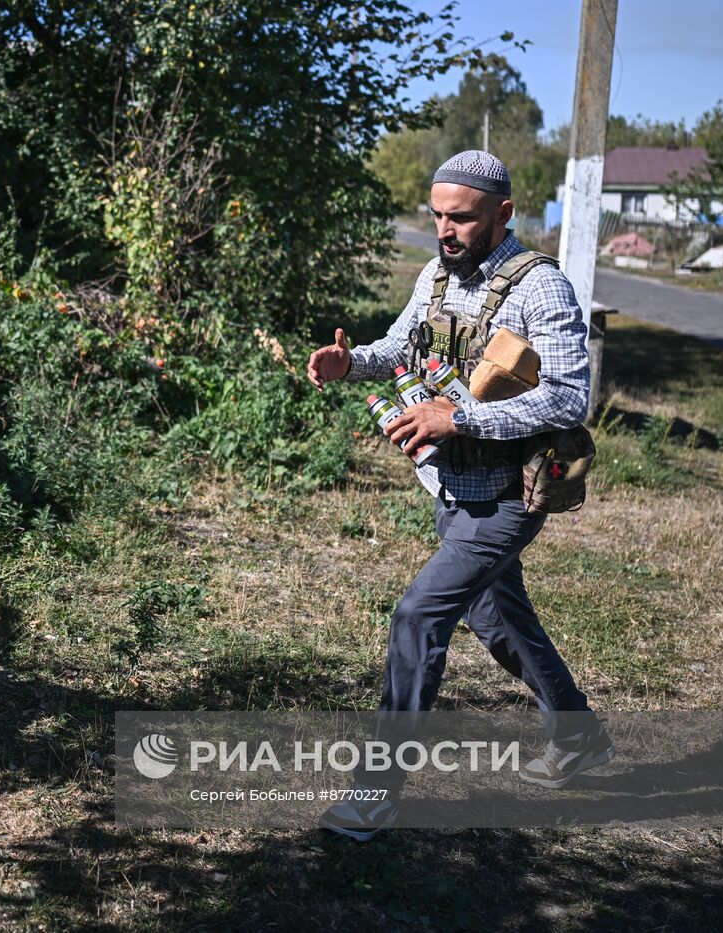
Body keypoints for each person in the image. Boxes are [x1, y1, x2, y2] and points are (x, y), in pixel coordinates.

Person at [306, 150, 612, 840]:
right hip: (452, 488)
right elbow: (400, 346)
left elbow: (568, 397)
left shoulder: (542, 289)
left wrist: (460, 416)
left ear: (503, 214)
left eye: (461, 218)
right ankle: (579, 734)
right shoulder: (436, 273)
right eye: (437, 216)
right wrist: (351, 363)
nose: (445, 230)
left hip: (508, 496)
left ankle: (374, 794)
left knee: (419, 616)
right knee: (499, 617)